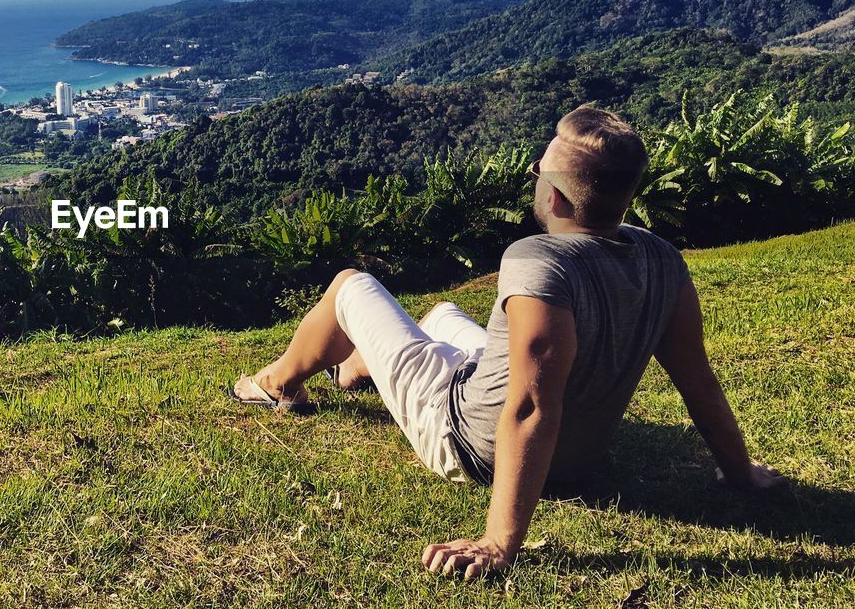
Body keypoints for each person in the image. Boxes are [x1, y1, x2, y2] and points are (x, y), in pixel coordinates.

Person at [229, 105, 786, 580]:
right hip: (580, 457)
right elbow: (697, 378)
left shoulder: (537, 261)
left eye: (540, 171)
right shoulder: (661, 258)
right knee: (444, 313)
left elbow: (530, 406)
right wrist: (741, 473)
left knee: (352, 286)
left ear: (559, 200)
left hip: (465, 442)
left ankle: (276, 383)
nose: (534, 177)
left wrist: (500, 542)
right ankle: (355, 370)